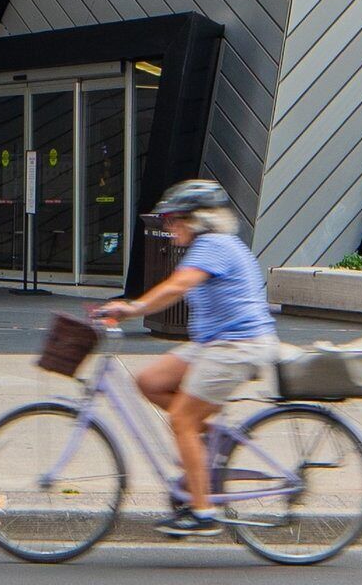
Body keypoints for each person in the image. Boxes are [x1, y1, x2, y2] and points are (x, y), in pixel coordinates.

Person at [92, 180, 274, 538]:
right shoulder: (209, 246)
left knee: (181, 420)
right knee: (150, 381)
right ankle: (206, 445)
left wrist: (132, 309)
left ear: (197, 220)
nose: (168, 227)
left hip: (238, 345)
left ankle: (202, 512)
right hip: (214, 344)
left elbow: (178, 286)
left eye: (174, 220)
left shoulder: (213, 245)